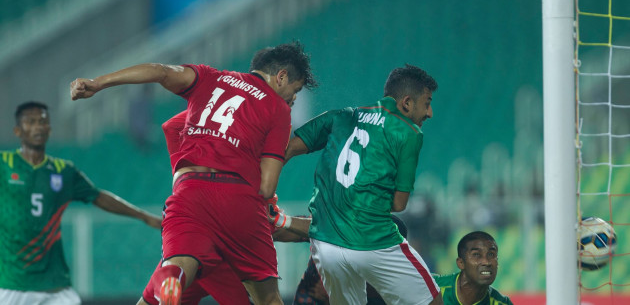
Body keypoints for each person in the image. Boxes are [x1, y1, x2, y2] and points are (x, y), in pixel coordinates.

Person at [70, 41, 316, 305]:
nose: (294, 98)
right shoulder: (278, 109)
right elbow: (266, 187)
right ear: (281, 77)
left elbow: (161, 77)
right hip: (237, 200)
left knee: (175, 269)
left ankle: (172, 281)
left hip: (189, 194)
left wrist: (98, 83)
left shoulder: (211, 78)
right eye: (296, 89)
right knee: (267, 299)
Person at [284, 64, 443, 305]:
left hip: (326, 246)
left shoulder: (341, 116)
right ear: (407, 103)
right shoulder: (409, 132)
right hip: (373, 241)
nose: (429, 112)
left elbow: (287, 149)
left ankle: (277, 220)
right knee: (432, 301)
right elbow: (399, 204)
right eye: (427, 102)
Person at [138, 110, 311, 305]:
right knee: (269, 299)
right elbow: (271, 229)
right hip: (222, 261)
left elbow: (171, 127)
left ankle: (171, 282)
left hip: (188, 236)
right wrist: (313, 232)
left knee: (168, 279)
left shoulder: (204, 154)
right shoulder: (255, 184)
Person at [0, 101, 162, 305]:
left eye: (42, 122)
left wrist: (144, 217)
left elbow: (98, 197)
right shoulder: (3, 164)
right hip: (11, 286)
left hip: (54, 287)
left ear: (49, 128)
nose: (38, 127)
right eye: (30, 122)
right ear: (18, 130)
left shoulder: (63, 170)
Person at [434, 231, 513, 305]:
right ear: (461, 263)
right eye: (476, 255)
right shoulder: (433, 287)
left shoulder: (502, 303)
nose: (486, 262)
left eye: (491, 254)